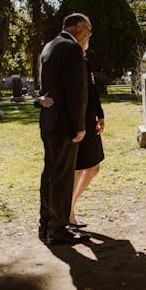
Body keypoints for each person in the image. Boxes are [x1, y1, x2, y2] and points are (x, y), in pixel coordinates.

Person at [37, 13, 92, 245]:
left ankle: (46, 224)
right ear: (79, 27)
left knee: (49, 174)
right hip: (63, 125)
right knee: (62, 177)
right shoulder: (71, 49)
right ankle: (58, 229)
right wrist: (79, 126)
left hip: (49, 121)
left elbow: (48, 87)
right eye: (88, 33)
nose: (87, 38)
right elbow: (76, 92)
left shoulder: (49, 46)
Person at [38, 42, 105, 227]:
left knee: (93, 168)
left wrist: (101, 115)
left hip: (89, 122)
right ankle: (67, 213)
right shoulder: (64, 61)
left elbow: (92, 91)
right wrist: (39, 100)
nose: (86, 44)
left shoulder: (85, 62)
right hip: (73, 124)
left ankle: (70, 206)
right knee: (75, 170)